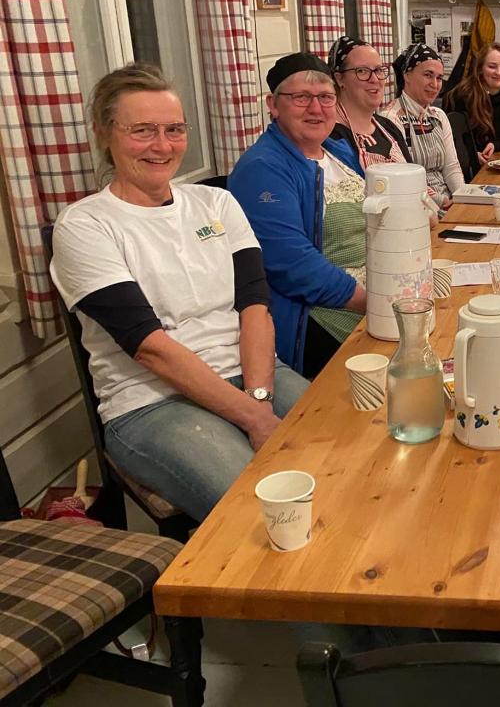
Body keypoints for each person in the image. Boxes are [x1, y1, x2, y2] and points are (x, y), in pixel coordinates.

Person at [49, 63, 309, 523]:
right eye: (142, 131)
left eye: (174, 129)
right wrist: (255, 419)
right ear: (104, 133)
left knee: (350, 452)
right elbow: (150, 348)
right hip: (151, 403)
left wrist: (258, 399)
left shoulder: (216, 202)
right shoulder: (85, 225)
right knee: (268, 509)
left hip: (253, 374)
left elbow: (255, 308)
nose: (162, 145)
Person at [229, 52, 368, 379]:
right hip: (322, 313)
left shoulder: (338, 150)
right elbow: (291, 264)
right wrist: (374, 302)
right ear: (273, 105)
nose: (316, 108)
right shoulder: (262, 169)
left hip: (376, 293)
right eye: (301, 98)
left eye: (325, 97)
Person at [384, 43, 465, 206]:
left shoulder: (439, 116)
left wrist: (463, 197)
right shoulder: (391, 119)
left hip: (450, 201)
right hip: (416, 204)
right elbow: (406, 178)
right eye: (428, 75)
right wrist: (442, 202)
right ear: (407, 75)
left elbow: (451, 167)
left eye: (439, 78)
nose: (435, 84)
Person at [443, 42, 500, 178]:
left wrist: (495, 145)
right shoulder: (460, 96)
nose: (499, 72)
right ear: (480, 68)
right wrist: (470, 155)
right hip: (466, 172)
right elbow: (449, 139)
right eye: (492, 66)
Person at [328, 35, 411, 167]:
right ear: (339, 79)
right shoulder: (330, 136)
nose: (375, 79)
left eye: (378, 70)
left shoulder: (388, 128)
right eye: (362, 71)